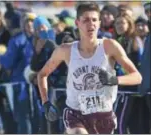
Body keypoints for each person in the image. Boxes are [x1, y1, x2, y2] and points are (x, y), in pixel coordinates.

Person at [37, 2, 142, 134]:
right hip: (75, 113)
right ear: (77, 23)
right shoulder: (66, 50)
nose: (90, 24)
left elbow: (137, 77)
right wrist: (46, 103)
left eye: (94, 20)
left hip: (103, 115)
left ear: (99, 23)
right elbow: (42, 74)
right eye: (85, 20)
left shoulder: (110, 46)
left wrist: (114, 80)